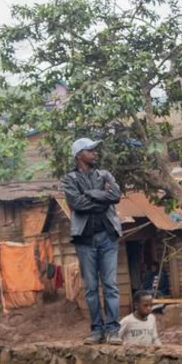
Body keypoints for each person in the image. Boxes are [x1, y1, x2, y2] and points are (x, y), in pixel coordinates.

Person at [61, 137, 122, 344]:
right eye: (91, 150)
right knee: (91, 288)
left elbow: (115, 196)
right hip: (85, 240)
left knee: (111, 285)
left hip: (107, 237)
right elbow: (77, 204)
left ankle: (113, 330)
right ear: (79, 155)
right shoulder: (69, 180)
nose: (95, 153)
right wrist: (100, 197)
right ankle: (97, 330)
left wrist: (90, 194)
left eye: (95, 150)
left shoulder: (105, 175)